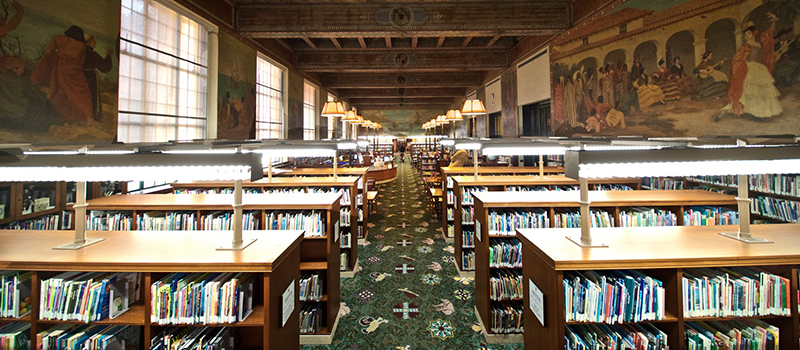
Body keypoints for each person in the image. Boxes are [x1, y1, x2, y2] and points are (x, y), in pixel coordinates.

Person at [718, 15, 782, 121]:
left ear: (753, 33)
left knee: (761, 93)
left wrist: (774, 21)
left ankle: (758, 113)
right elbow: (736, 59)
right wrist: (742, 66)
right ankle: (725, 111)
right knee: (746, 92)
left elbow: (769, 33)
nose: (746, 36)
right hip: (749, 69)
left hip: (760, 69)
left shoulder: (759, 43)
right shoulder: (745, 46)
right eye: (745, 34)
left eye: (748, 33)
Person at [30, 25, 93, 123]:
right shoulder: (81, 46)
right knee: (81, 94)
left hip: (60, 69)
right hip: (74, 72)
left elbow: (48, 52)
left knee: (59, 92)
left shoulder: (58, 38)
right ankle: (85, 116)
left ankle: (61, 113)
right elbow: (80, 63)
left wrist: (57, 58)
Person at [82, 34, 113, 121]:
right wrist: (109, 55)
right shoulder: (91, 54)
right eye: (93, 41)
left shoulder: (80, 52)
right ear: (88, 42)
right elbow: (105, 67)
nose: (95, 43)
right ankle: (94, 117)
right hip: (90, 78)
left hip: (80, 76)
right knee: (93, 96)